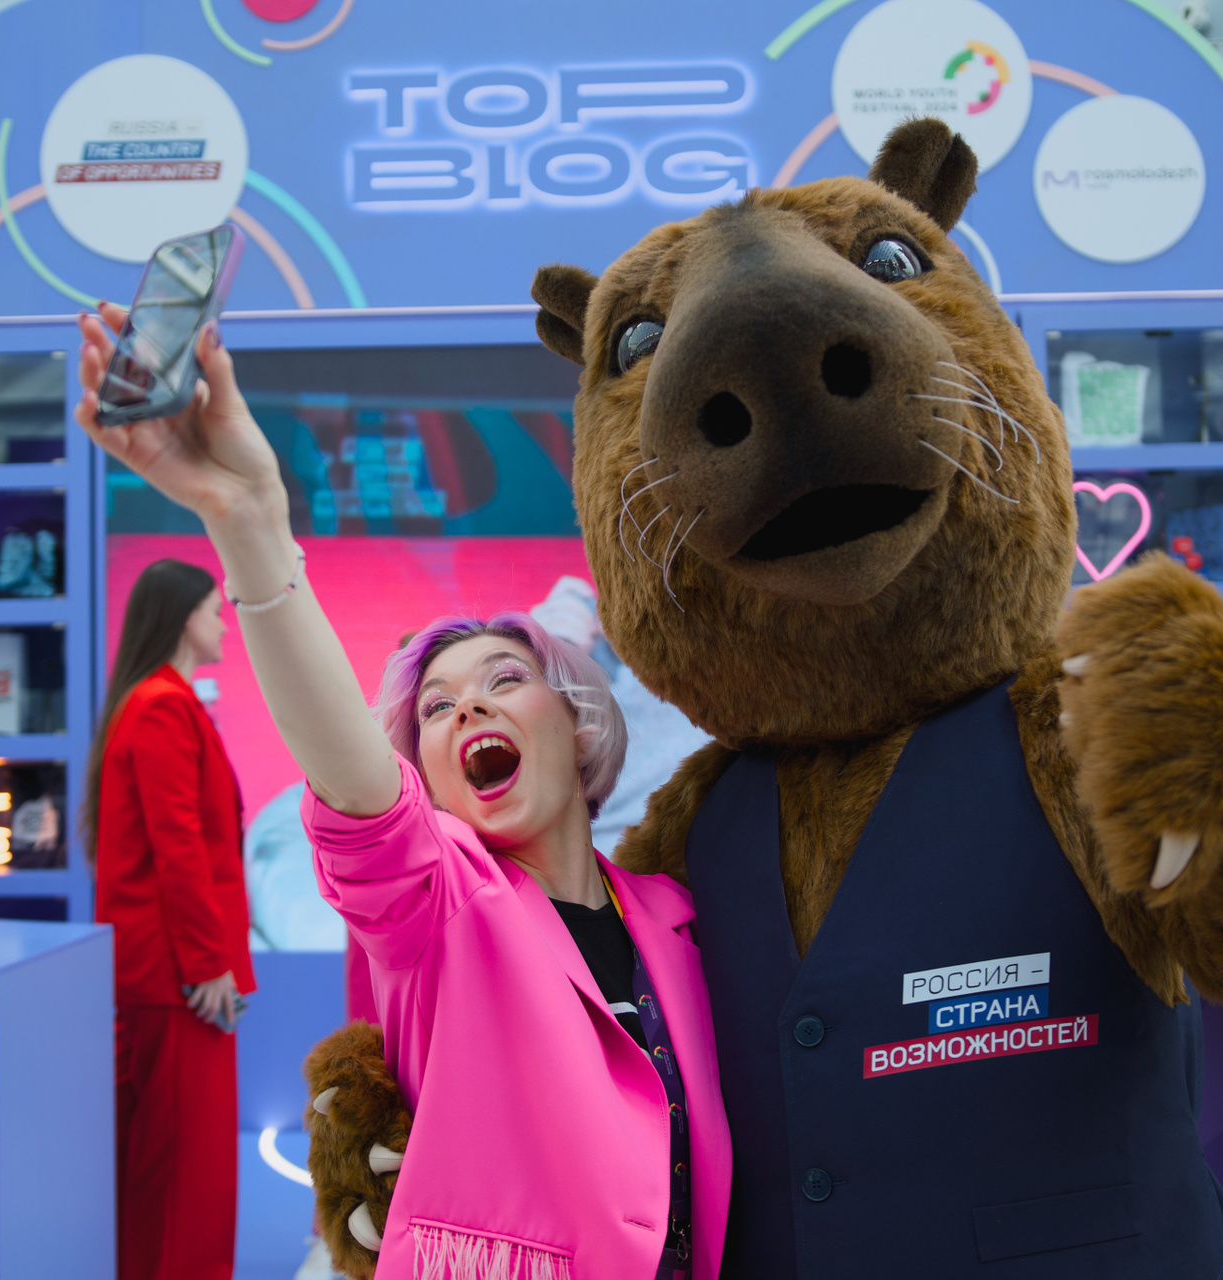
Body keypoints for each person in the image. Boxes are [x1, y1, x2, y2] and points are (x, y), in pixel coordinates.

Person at [75, 306, 731, 1280]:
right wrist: (249, 522)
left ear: (580, 719)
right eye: (436, 706)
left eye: (505, 679)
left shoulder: (679, 914)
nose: (469, 707)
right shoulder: (443, 904)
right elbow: (354, 788)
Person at [85, 557, 256, 1280]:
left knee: (166, 1162)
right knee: (189, 1171)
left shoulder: (157, 701)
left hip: (167, 972)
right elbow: (176, 845)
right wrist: (206, 963)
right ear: (186, 617)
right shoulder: (161, 705)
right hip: (178, 977)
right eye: (216, 610)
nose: (225, 625)